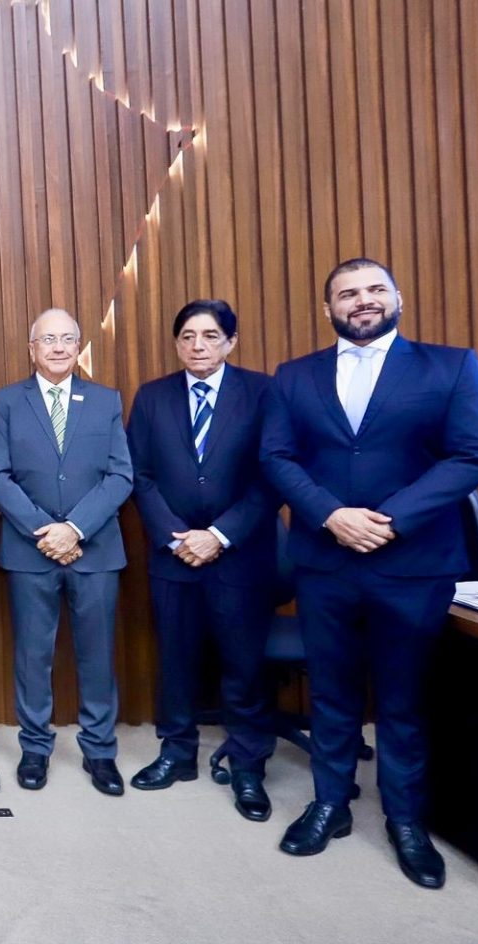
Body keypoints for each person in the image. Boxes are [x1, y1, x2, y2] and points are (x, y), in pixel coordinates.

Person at [261, 258, 478, 888]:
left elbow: (475, 454)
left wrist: (389, 520)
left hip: (413, 564)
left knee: (403, 699)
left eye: (373, 290)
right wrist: (331, 515)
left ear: (397, 297)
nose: (361, 302)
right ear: (329, 308)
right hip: (325, 561)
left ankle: (406, 820)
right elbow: (277, 457)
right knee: (332, 694)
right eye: (347, 294)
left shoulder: (450, 367)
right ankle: (330, 804)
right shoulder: (294, 377)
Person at [126, 300, 279, 819]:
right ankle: (177, 753)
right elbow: (140, 476)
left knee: (243, 666)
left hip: (240, 555)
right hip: (173, 557)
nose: (197, 345)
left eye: (210, 336)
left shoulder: (261, 393)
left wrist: (218, 535)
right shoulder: (152, 397)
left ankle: (248, 765)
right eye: (187, 336)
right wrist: (177, 537)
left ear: (230, 342)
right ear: (176, 343)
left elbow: (269, 477)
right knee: (176, 661)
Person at [0, 309, 133, 796]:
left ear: (78, 347)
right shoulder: (6, 402)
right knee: (33, 655)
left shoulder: (105, 400)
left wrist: (74, 528)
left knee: (97, 655)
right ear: (32, 348)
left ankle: (100, 752)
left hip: (95, 550)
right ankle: (34, 748)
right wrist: (45, 531)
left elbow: (120, 476)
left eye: (67, 338)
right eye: (47, 339)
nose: (57, 347)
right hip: (31, 552)